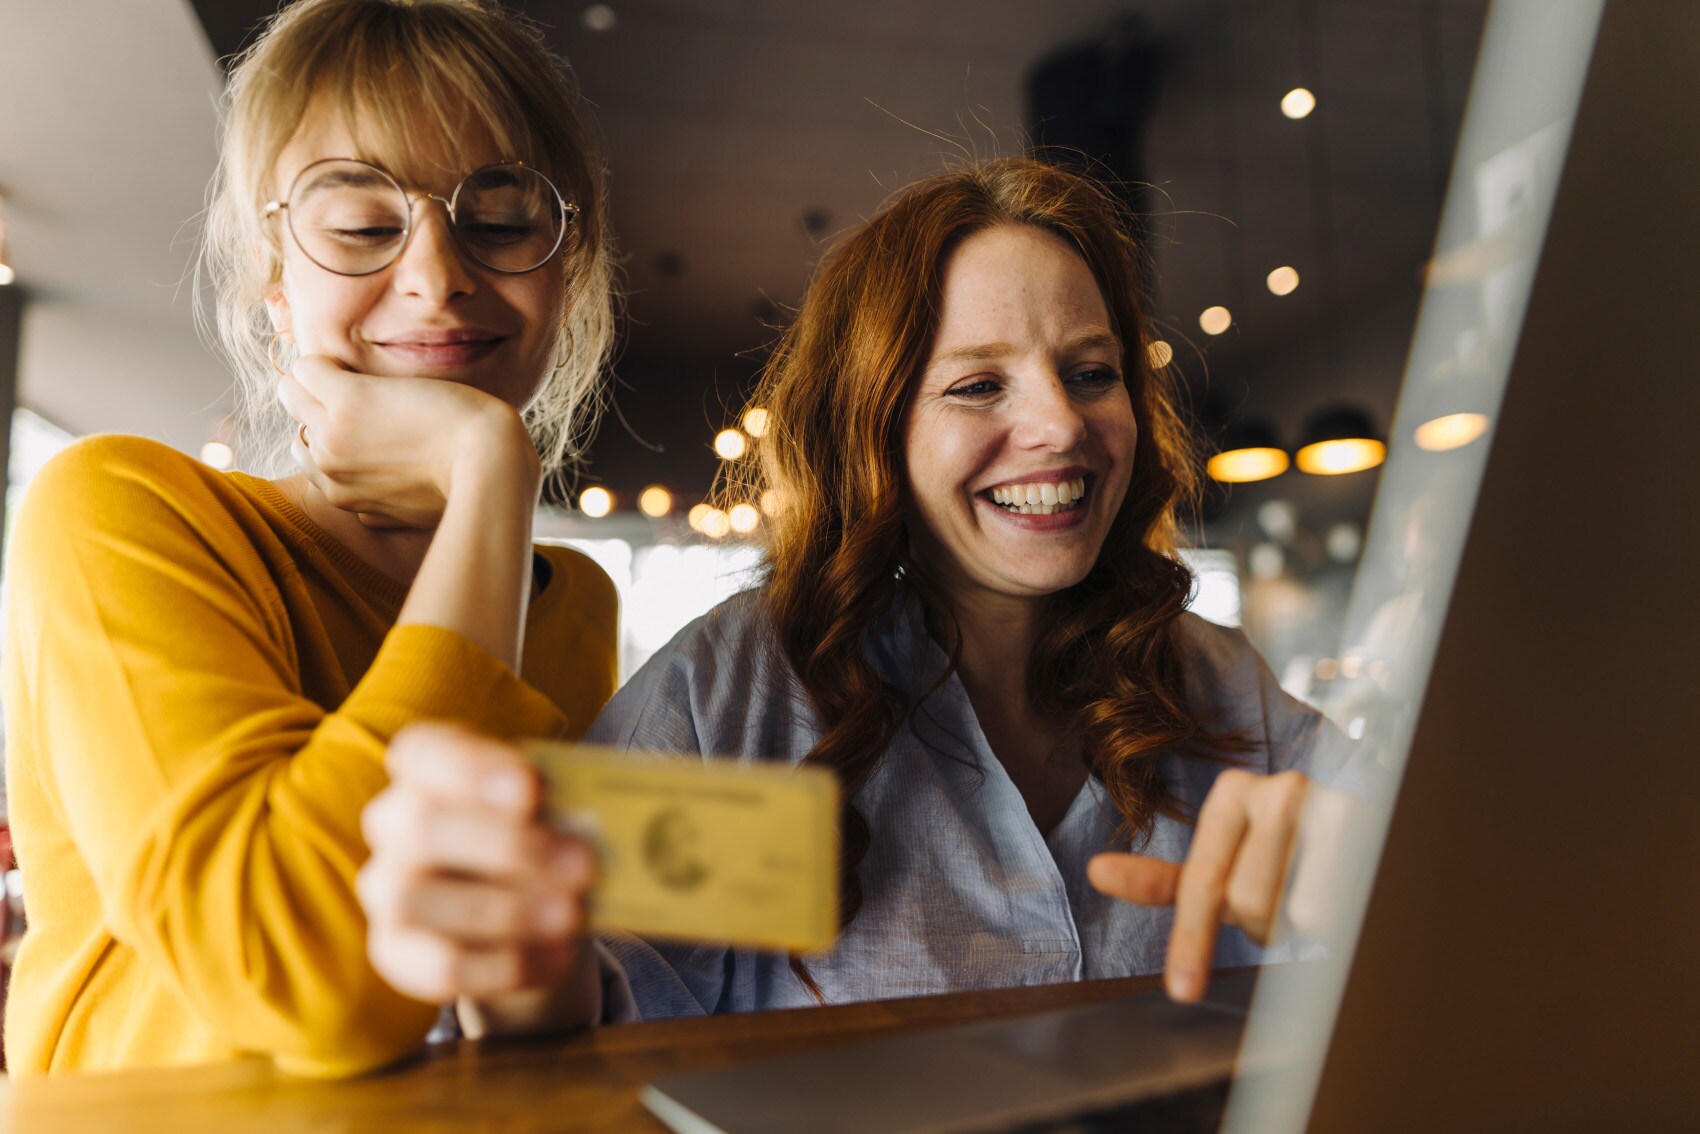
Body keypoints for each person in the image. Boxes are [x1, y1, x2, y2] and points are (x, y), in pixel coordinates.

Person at [359, 156, 1341, 1034]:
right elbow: (592, 1006)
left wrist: (1380, 867)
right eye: (975, 386)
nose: (1059, 426)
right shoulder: (735, 687)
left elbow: (1434, 876)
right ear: (873, 431)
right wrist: (520, 958)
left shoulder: (1217, 685)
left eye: (1090, 373)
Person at [1, 0, 619, 1077]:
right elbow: (307, 981)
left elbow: (519, 983)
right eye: (364, 224)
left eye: (503, 216)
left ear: (565, 269)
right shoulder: (118, 509)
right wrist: (484, 473)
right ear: (275, 283)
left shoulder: (572, 600)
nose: (436, 275)